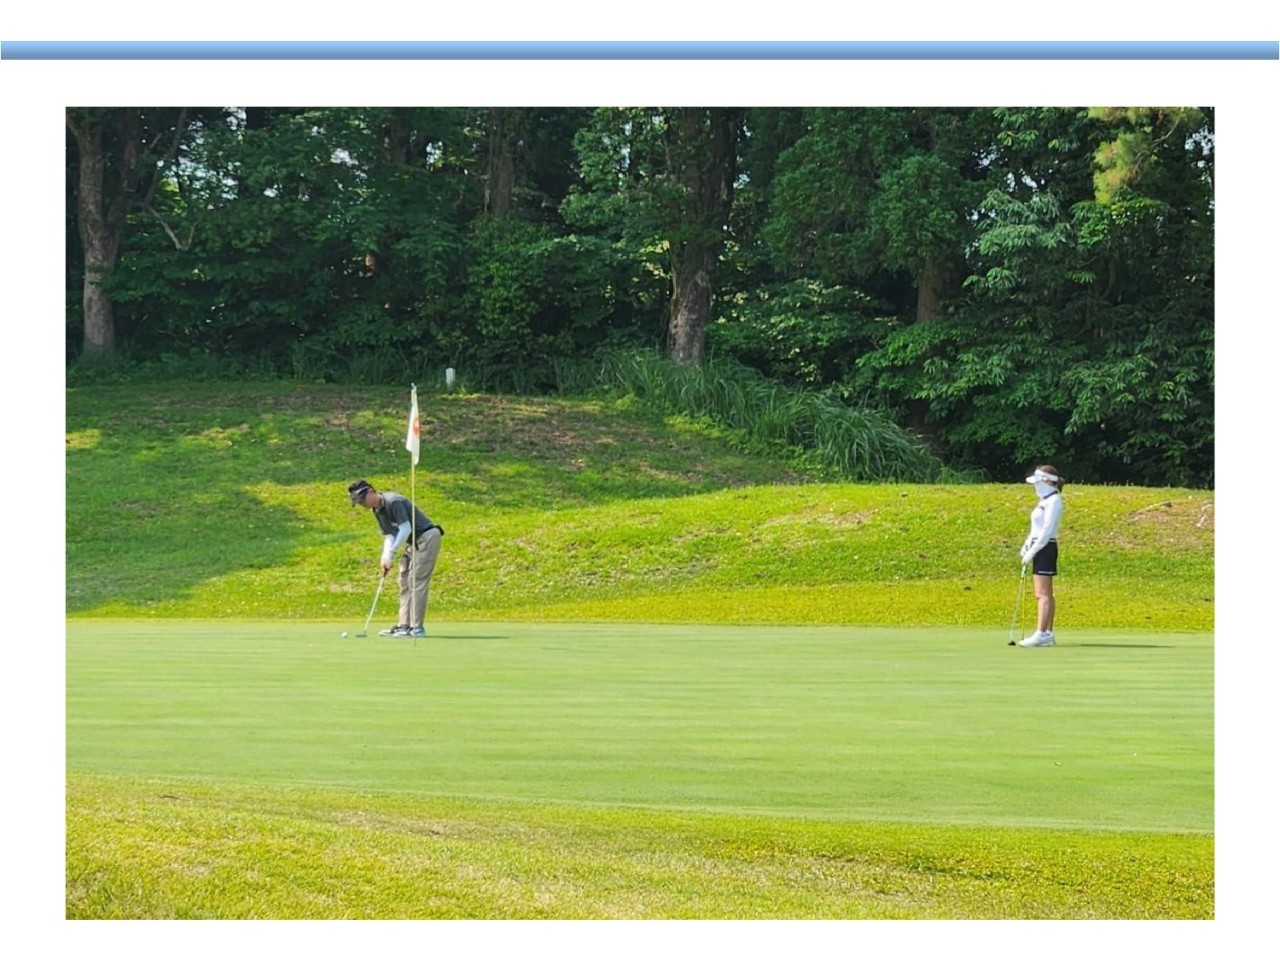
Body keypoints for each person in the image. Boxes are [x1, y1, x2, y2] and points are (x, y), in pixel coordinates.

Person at [348, 479, 444, 638]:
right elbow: (389, 535)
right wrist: (385, 557)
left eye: (362, 499)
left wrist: (392, 553)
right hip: (413, 542)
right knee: (404, 580)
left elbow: (406, 529)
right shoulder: (377, 510)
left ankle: (417, 628)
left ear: (371, 491)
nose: (362, 504)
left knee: (416, 580)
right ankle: (404, 625)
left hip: (426, 537)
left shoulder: (393, 502)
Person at [1018, 465, 1064, 647]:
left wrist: (1033, 551)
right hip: (1039, 546)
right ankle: (1047, 633)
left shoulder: (1054, 501)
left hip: (1045, 547)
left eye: (1038, 482)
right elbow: (1036, 529)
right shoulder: (1044, 501)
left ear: (1047, 481)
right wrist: (1027, 544)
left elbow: (1047, 531)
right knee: (1044, 593)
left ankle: (1041, 633)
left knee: (1042, 594)